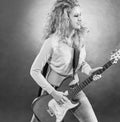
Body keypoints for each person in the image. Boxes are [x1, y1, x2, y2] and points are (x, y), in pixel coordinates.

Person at [30, 0, 102, 122]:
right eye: (76, 15)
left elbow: (79, 62)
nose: (80, 19)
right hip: (53, 92)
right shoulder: (52, 42)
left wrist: (89, 71)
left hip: (75, 89)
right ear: (65, 19)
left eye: (80, 15)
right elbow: (34, 71)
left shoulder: (79, 39)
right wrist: (53, 93)